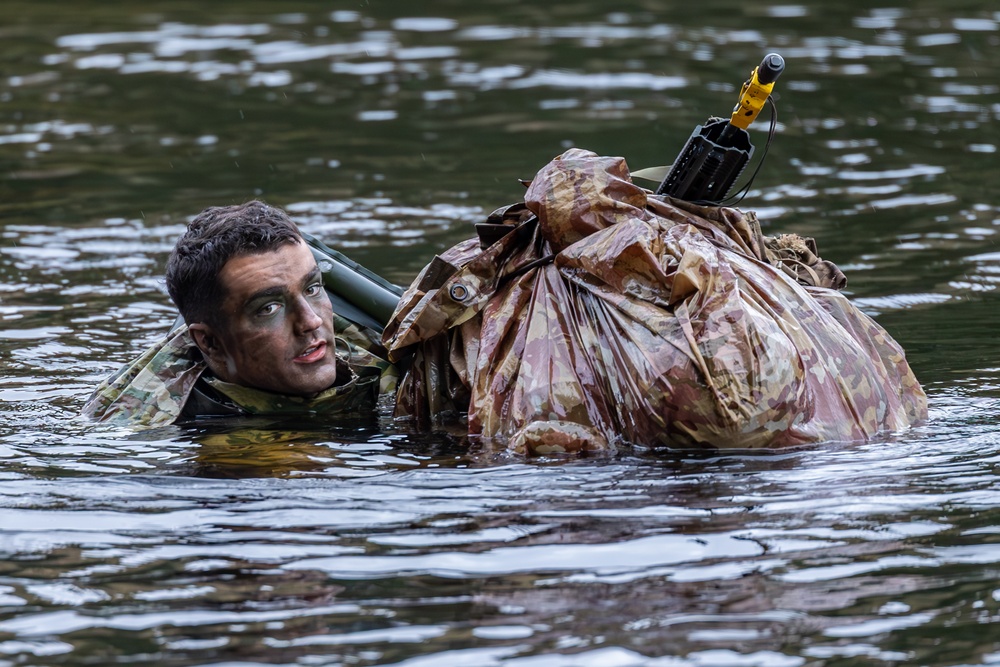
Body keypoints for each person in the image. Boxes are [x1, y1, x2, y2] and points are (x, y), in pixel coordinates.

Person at [83, 201, 395, 428]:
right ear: (209, 342)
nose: (311, 321)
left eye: (312, 288)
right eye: (268, 308)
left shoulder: (387, 351)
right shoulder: (164, 428)